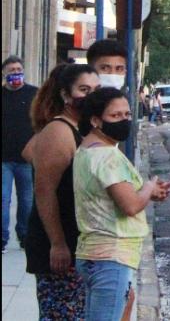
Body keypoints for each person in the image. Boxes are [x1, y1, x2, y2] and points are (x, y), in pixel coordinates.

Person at [73, 88, 170, 321]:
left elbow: (110, 196)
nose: (124, 121)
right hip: (112, 256)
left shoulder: (86, 151)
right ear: (96, 120)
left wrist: (148, 193)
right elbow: (130, 206)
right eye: (115, 116)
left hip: (94, 253)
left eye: (127, 115)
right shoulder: (107, 157)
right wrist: (148, 187)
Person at [22, 64, 99, 319]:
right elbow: (45, 192)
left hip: (78, 244)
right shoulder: (59, 131)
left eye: (96, 90)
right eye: (84, 89)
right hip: (59, 245)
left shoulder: (80, 128)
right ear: (66, 95)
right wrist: (57, 243)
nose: (91, 96)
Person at [2, 55, 38, 254]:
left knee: (26, 200)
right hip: (3, 159)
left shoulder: (34, 94)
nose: (15, 73)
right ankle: (2, 238)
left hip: (27, 159)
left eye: (18, 69)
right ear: (4, 74)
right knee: (3, 199)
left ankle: (24, 235)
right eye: (11, 70)